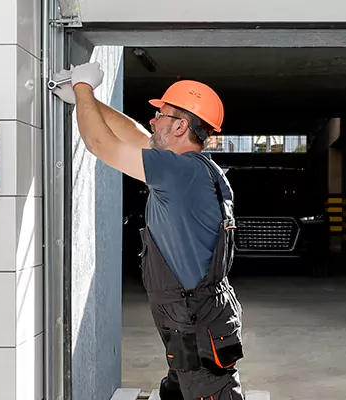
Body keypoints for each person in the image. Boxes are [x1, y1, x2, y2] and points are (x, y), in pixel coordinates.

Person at [51, 62, 246, 400]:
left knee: (209, 391)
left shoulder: (178, 171)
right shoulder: (189, 169)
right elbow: (136, 136)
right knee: (179, 387)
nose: (153, 120)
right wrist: (87, 101)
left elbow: (99, 144)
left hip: (196, 321)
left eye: (162, 115)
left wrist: (83, 87)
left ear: (182, 125)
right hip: (191, 317)